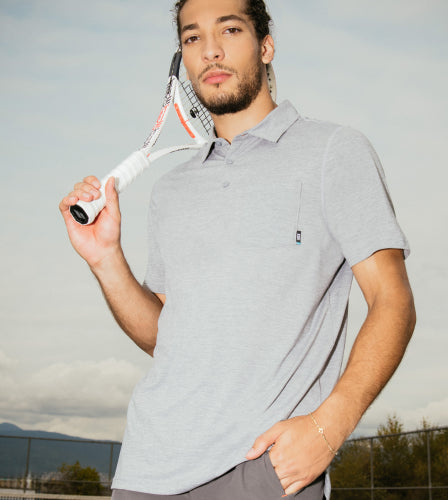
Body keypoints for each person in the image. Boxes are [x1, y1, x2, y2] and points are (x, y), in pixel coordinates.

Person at [59, 0, 416, 499]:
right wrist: (106, 259)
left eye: (229, 29)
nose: (210, 50)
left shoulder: (335, 151)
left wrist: (327, 428)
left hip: (260, 470)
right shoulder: (171, 192)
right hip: (145, 472)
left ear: (265, 46)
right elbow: (165, 336)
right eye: (191, 37)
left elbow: (393, 301)